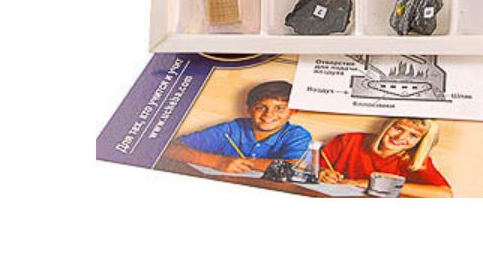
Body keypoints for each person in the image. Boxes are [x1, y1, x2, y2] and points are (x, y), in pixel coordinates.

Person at [164, 80, 311, 173]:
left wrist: (247, 163)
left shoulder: (297, 135)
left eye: (279, 108)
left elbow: (296, 166)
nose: (269, 114)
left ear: (293, 111)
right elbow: (170, 148)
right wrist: (218, 162)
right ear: (249, 109)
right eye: (261, 107)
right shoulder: (232, 129)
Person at [319, 118, 452, 198]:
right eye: (398, 128)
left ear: (421, 142)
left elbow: (444, 194)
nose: (400, 137)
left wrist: (367, 184)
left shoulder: (414, 160)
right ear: (387, 126)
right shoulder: (348, 140)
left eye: (413, 135)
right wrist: (322, 172)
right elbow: (313, 165)